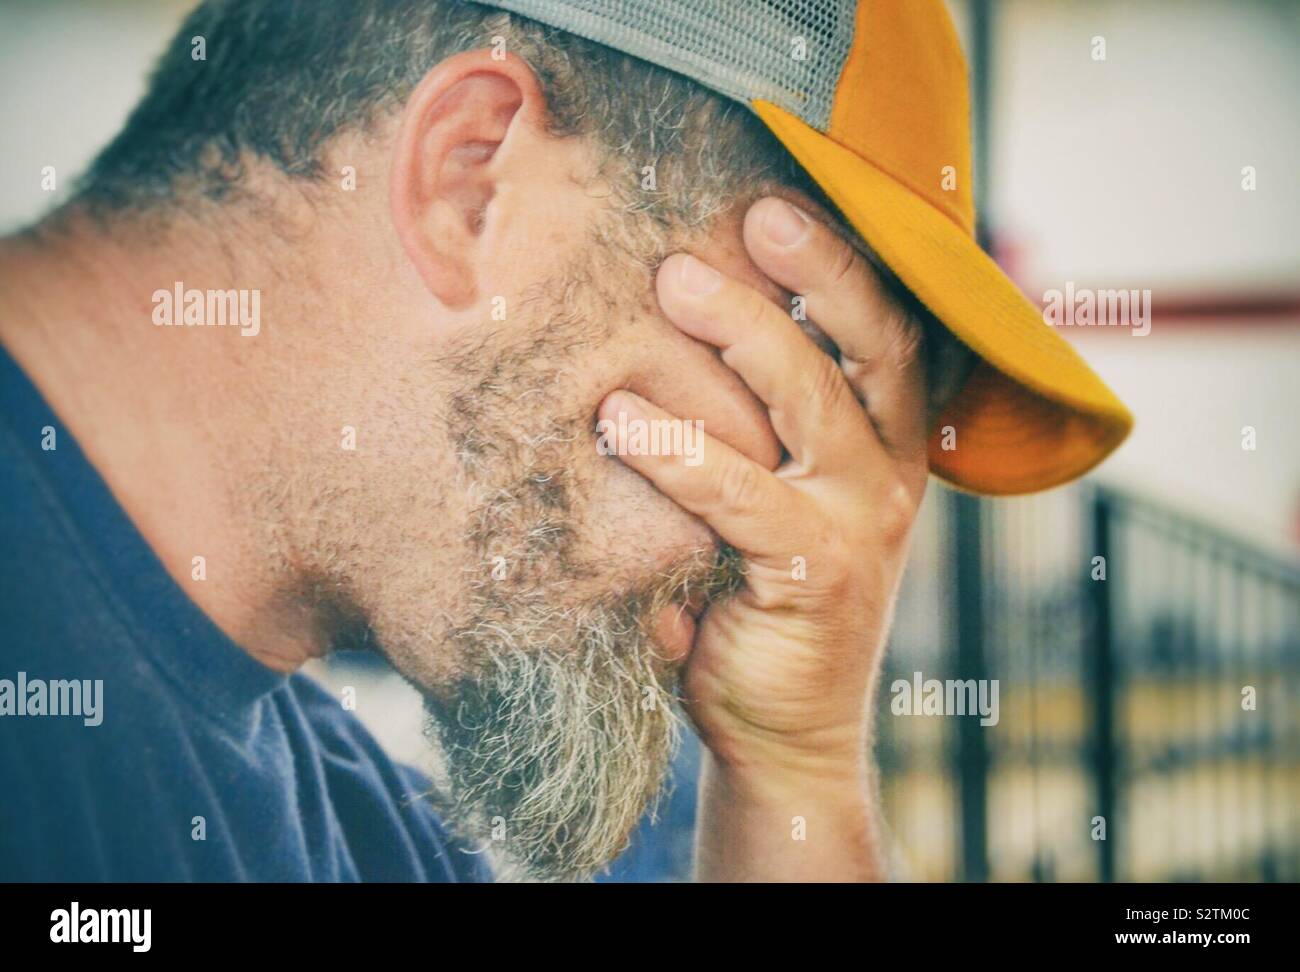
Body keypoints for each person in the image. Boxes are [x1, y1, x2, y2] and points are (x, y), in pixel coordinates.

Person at [0, 0, 1130, 882]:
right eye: (803, 374)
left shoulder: (359, 834)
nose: (816, 528)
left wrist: (797, 766)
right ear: (471, 182)